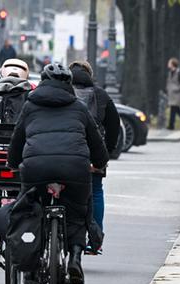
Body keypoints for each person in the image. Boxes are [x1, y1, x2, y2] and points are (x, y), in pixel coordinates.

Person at [7, 63, 109, 284]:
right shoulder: (79, 107)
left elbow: (17, 139)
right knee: (79, 211)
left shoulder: (30, 105)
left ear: (43, 82)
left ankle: (31, 266)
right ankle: (75, 257)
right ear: (68, 84)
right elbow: (96, 142)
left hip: (36, 167)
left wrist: (13, 163)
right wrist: (100, 163)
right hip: (74, 167)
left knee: (30, 208)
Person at [69, 60, 121, 254]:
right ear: (89, 75)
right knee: (96, 191)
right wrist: (108, 151)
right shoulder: (100, 94)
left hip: (66, 152)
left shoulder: (62, 91)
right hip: (93, 153)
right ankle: (95, 239)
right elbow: (114, 125)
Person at [0, 58, 33, 129]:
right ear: (26, 75)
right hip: (22, 135)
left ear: (2, 73)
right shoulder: (31, 95)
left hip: (0, 135)